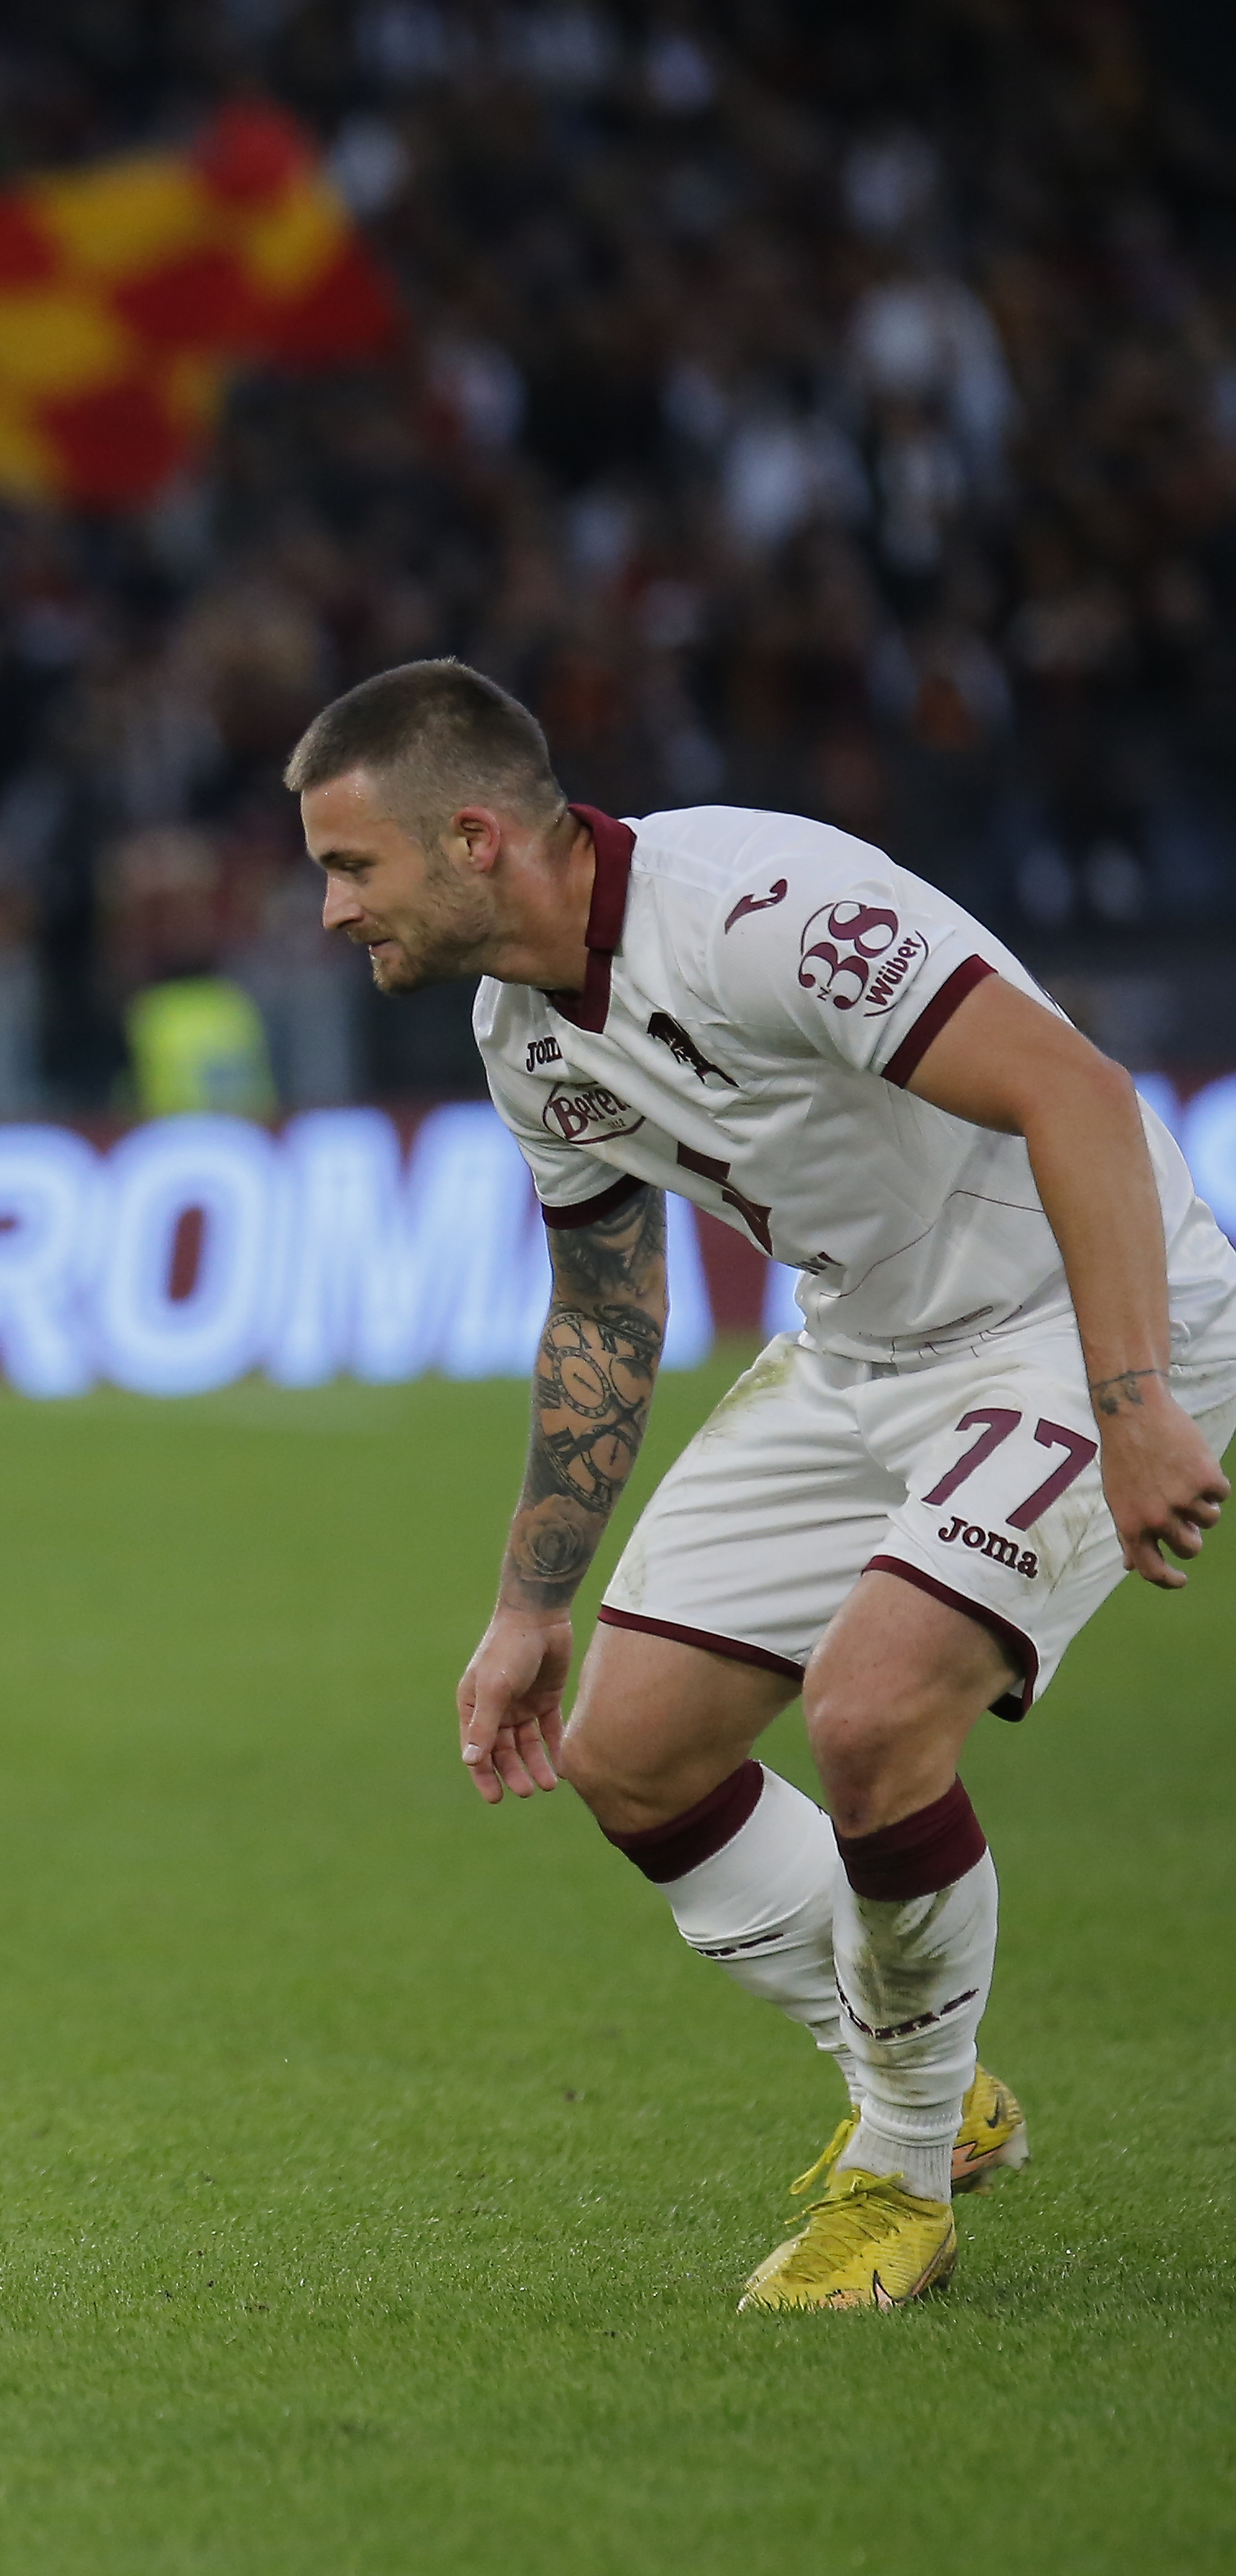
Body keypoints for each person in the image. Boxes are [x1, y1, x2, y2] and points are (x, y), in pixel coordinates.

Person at [287, 659, 1234, 2311]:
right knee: (631, 1757)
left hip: (1069, 1319)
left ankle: (898, 2161)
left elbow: (1074, 1089)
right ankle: (948, 2089)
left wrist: (1134, 1397)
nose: (324, 908)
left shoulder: (756, 907)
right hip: (860, 1348)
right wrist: (527, 1602)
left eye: (348, 865)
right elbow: (601, 1315)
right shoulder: (520, 1032)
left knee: (869, 1718)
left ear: (473, 838)